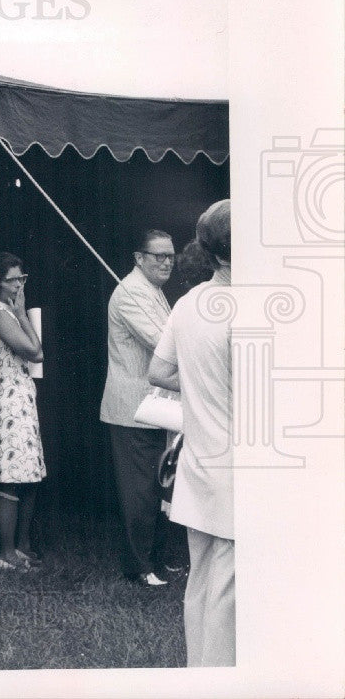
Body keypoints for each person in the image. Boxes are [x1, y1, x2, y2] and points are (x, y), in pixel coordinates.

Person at [149, 200, 234, 667]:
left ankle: (198, 674)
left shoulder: (187, 302)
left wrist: (202, 384)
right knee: (231, 587)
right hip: (239, 467)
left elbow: (159, 372)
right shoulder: (251, 307)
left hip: (199, 462)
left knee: (202, 579)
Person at [99, 229, 176, 587]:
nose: (165, 262)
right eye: (157, 255)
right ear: (139, 257)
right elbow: (164, 345)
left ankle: (157, 560)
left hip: (157, 407)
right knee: (140, 491)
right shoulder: (129, 293)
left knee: (161, 487)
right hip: (133, 408)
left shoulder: (154, 291)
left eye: (170, 256)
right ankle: (139, 567)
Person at [0, 252, 45, 571]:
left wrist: (19, 313)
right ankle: (6, 553)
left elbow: (35, 353)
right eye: (12, 280)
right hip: (7, 397)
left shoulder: (5, 310)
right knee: (10, 476)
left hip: (18, 395)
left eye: (22, 278)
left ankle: (22, 547)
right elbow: (35, 351)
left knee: (27, 473)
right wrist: (22, 314)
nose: (19, 285)